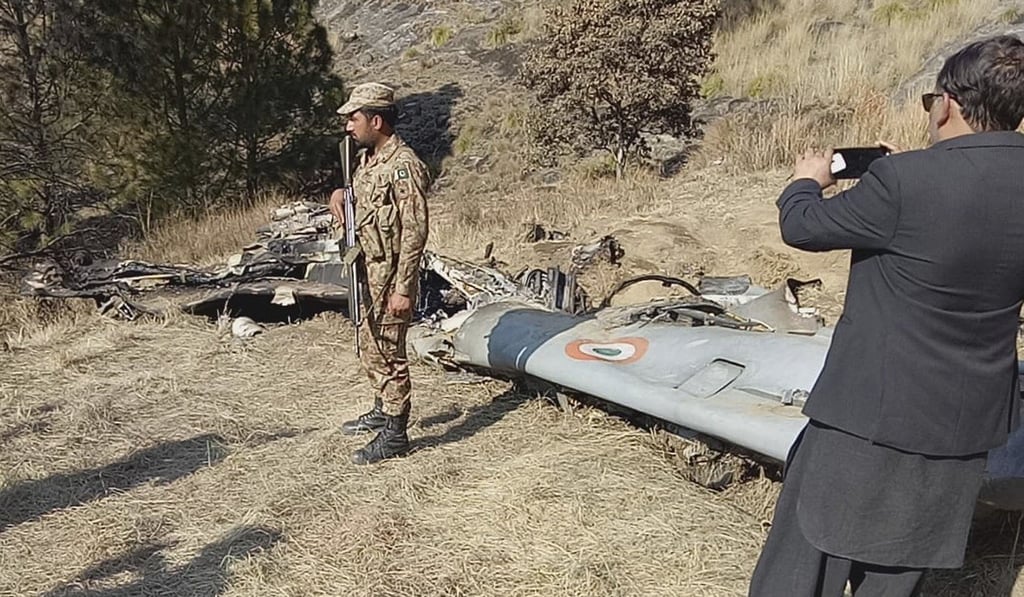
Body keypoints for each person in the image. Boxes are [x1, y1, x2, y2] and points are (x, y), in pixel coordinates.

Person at [748, 35, 1024, 596]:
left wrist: (807, 179)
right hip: (964, 427)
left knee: (802, 571)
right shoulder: (914, 180)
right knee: (897, 575)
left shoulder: (902, 183)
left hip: (864, 424)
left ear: (946, 103)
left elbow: (803, 226)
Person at [328, 82, 431, 466]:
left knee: (390, 354)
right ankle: (381, 406)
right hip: (366, 276)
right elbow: (365, 206)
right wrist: (341, 195)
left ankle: (396, 431)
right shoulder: (369, 161)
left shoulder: (403, 166)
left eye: (353, 119)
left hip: (390, 282)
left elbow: (415, 231)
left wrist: (403, 289)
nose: (348, 127)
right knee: (371, 346)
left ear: (376, 120)